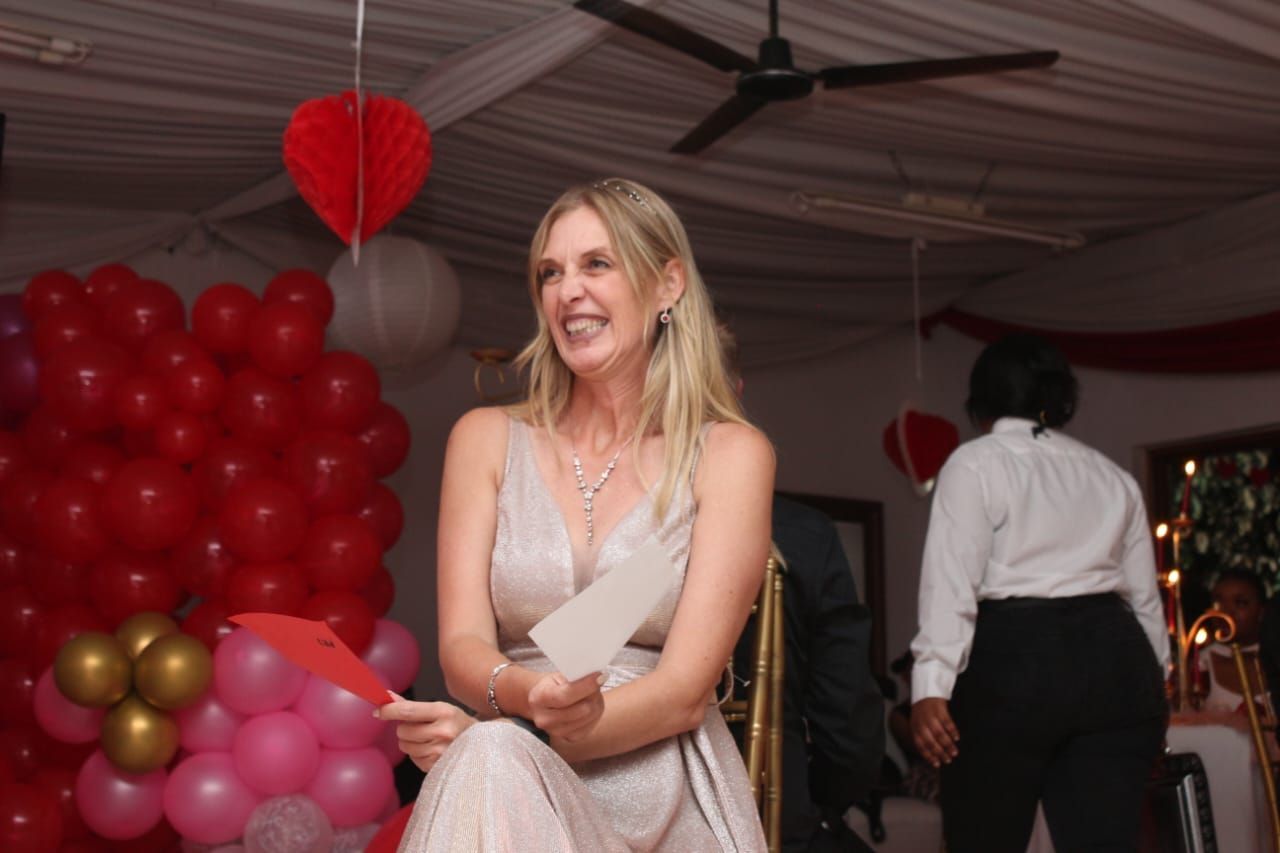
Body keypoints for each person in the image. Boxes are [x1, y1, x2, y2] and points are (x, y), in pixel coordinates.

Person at [377, 177, 775, 851]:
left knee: (489, 756)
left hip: (663, 792)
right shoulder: (484, 438)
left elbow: (683, 689)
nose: (568, 291)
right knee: (491, 764)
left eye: (597, 263)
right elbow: (463, 647)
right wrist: (529, 705)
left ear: (667, 283)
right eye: (550, 273)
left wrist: (522, 732)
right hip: (509, 770)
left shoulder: (733, 454)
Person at [909, 334, 1169, 853]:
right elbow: (1144, 600)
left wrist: (930, 684)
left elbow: (951, 581)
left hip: (1015, 662)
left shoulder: (975, 461)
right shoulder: (1110, 474)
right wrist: (1155, 687)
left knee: (985, 838)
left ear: (979, 401)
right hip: (1117, 661)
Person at [719, 322, 884, 852]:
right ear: (737, 392)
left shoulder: (600, 529)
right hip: (769, 813)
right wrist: (818, 804)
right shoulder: (801, 534)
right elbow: (849, 727)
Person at [1199, 568, 1268, 713]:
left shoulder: (1273, 658)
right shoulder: (1200, 664)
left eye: (1240, 603)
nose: (1227, 612)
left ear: (1261, 611)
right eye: (1218, 602)